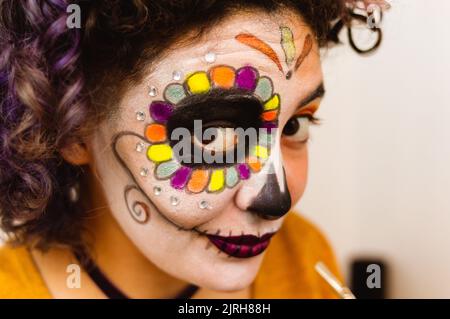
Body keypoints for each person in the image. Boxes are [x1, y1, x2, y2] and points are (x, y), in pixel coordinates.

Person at [0, 0, 387, 298]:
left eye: (294, 125)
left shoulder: (303, 258)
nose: (276, 197)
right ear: (74, 129)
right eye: (212, 135)